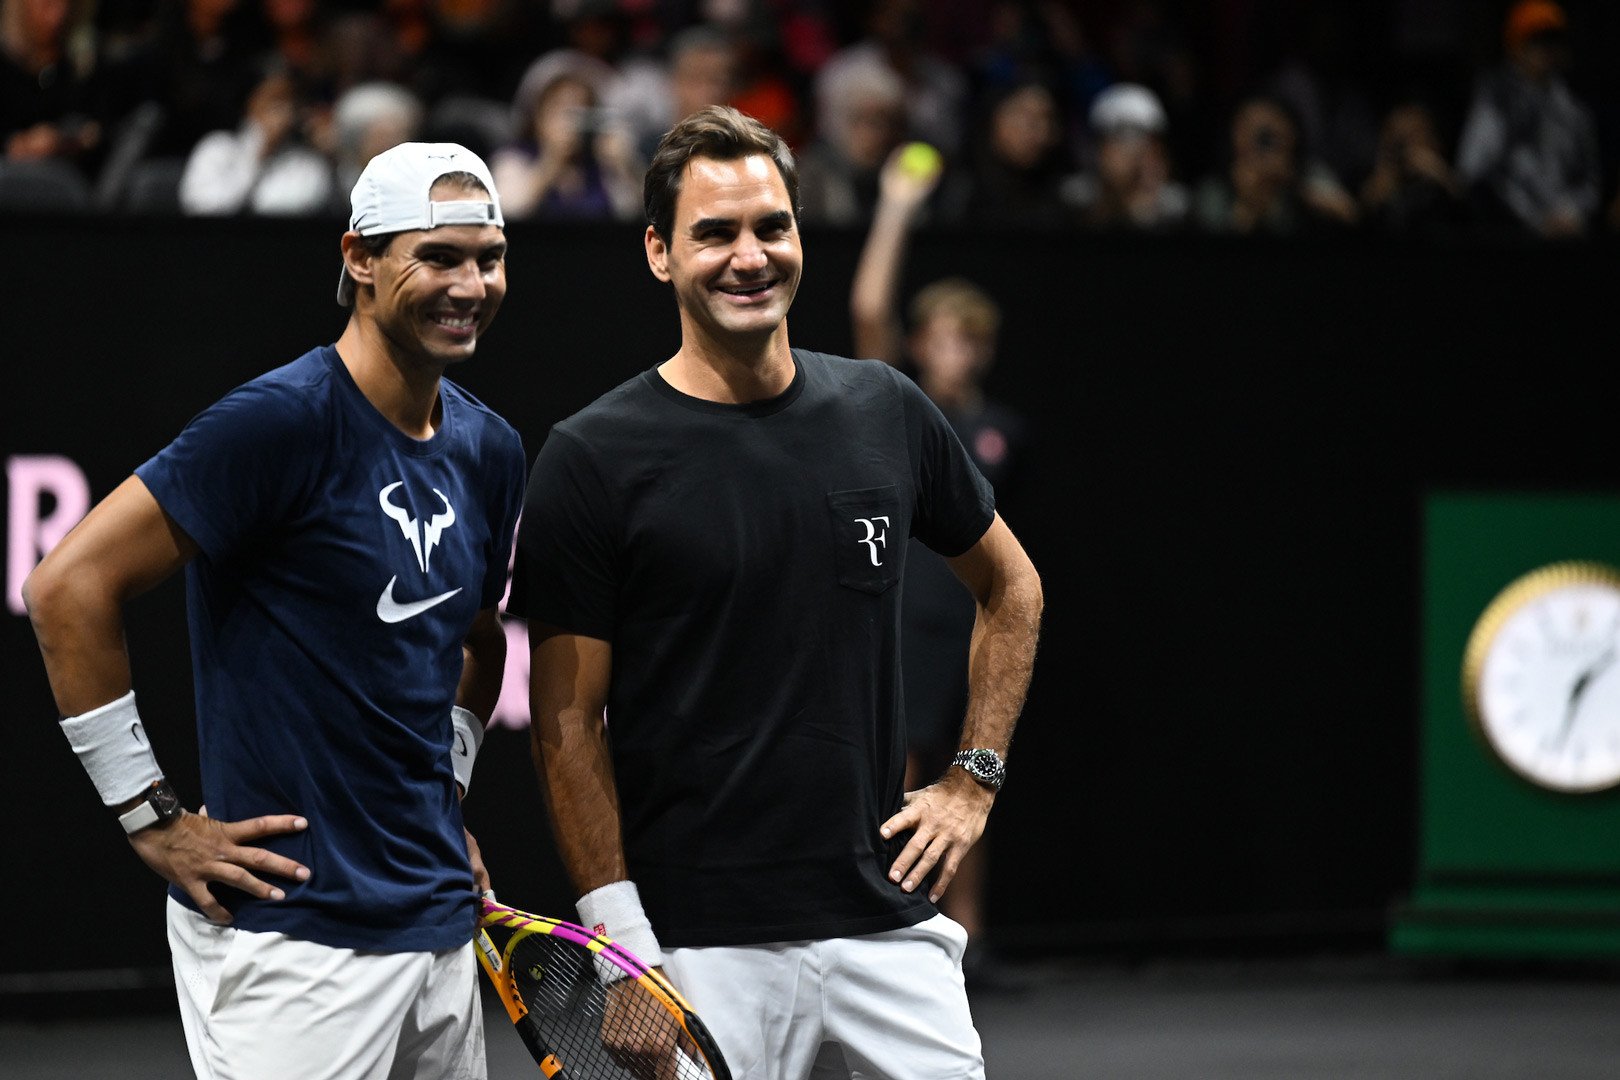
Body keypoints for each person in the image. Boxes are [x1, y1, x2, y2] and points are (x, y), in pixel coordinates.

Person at [509, 105, 1043, 1079]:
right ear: (660, 253)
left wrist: (973, 781)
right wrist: (623, 947)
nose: (749, 256)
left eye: (771, 226)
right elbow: (567, 722)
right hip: (699, 947)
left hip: (887, 924)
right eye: (714, 232)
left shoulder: (886, 409)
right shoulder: (593, 457)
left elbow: (1012, 586)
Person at [23, 141, 525, 1080]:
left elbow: (477, 640)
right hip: (290, 943)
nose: (471, 284)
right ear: (359, 259)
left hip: (439, 926)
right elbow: (65, 588)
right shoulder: (280, 421)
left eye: (488, 257)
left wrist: (444, 792)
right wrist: (152, 817)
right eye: (440, 256)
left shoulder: (491, 448)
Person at [850, 141, 1032, 988]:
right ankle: (902, 935)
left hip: (970, 627)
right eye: (940, 335)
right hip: (899, 617)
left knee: (972, 776)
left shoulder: (1002, 428)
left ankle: (974, 943)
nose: (953, 349)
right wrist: (896, 204)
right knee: (909, 776)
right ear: (920, 344)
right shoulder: (897, 404)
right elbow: (866, 308)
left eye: (969, 338)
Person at [1455, 0, 1599, 238]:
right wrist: (1533, 219)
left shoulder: (1574, 110)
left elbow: (1589, 180)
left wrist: (1573, 213)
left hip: (1568, 236)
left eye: (1553, 40)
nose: (1546, 50)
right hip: (1514, 240)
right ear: (1515, 46)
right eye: (1536, 40)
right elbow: (1474, 172)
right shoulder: (1494, 101)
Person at [1065, 82, 1188, 231]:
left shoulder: (1174, 208)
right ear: (1100, 148)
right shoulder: (1075, 199)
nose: (1136, 155)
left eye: (1148, 143)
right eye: (1123, 140)